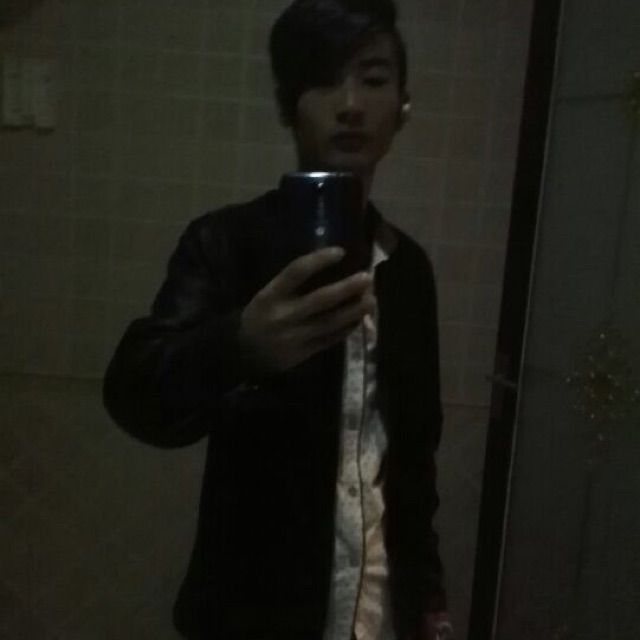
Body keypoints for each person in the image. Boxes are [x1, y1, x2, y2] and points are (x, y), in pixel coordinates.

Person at [103, 1, 453, 638]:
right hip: (252, 619)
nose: (351, 104)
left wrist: (428, 599)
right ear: (288, 105)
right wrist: (239, 347)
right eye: (323, 80)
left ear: (403, 106)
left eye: (374, 79)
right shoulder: (226, 243)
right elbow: (135, 393)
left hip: (378, 616)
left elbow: (412, 457)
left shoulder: (408, 271)